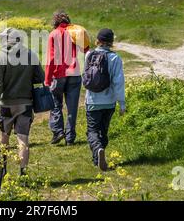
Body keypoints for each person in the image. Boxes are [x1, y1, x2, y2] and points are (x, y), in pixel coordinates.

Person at [0, 28, 45, 176]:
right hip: (25, 103)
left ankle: (3, 170)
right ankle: (23, 172)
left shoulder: (0, 57)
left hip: (6, 104)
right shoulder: (30, 55)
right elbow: (41, 77)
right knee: (23, 139)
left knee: (4, 138)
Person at [84, 29, 126, 171]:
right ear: (111, 42)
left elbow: (86, 77)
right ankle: (99, 155)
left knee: (92, 131)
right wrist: (122, 103)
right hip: (109, 102)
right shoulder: (115, 58)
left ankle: (98, 150)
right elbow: (118, 83)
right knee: (103, 130)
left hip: (92, 100)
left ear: (98, 40)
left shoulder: (89, 55)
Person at [45, 11, 89, 145]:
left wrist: (47, 78)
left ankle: (58, 131)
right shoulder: (74, 32)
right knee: (72, 107)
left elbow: (51, 59)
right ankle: (70, 138)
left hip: (59, 74)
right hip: (75, 73)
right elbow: (86, 49)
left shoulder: (53, 34)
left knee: (55, 104)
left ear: (55, 22)